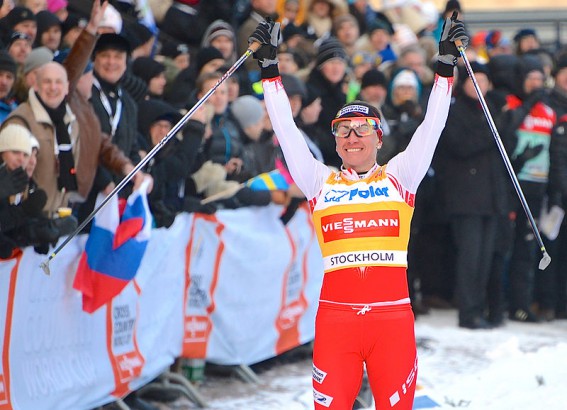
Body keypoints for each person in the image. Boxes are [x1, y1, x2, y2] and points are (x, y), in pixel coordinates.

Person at [251, 13, 468, 409]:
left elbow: (431, 127)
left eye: (362, 129)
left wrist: (444, 69)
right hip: (337, 324)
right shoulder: (320, 182)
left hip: (391, 324)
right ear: (335, 141)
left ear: (378, 138)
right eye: (342, 130)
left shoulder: (400, 176)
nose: (352, 137)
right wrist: (270, 72)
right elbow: (285, 130)